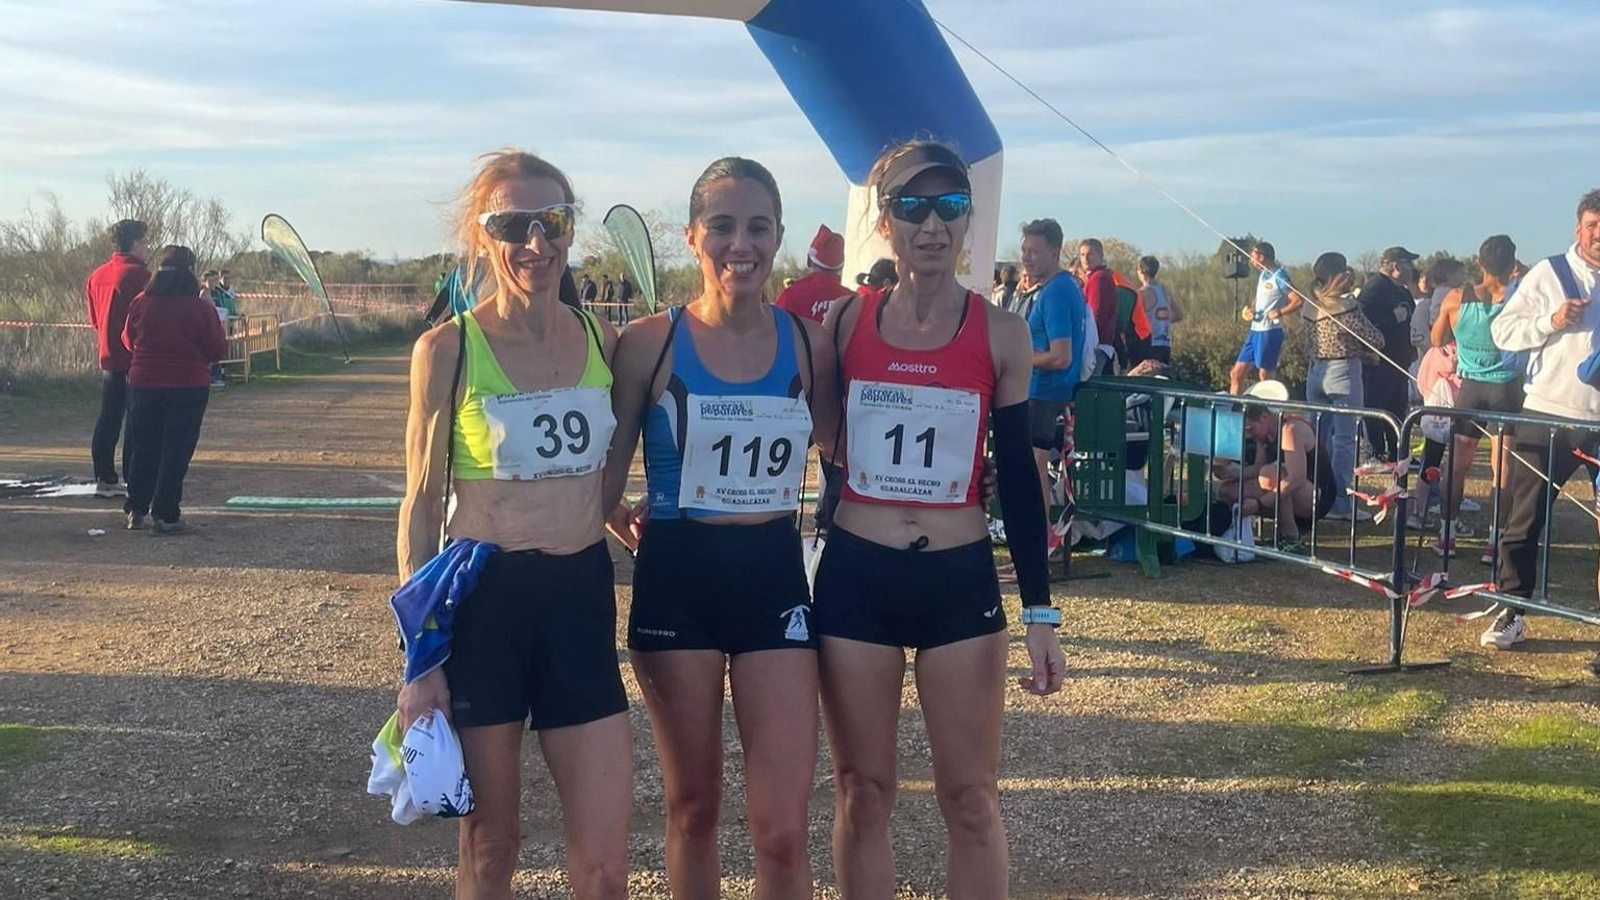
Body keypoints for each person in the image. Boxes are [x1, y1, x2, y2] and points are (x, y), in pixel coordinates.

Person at [815, 139, 1064, 898]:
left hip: (958, 579)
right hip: (859, 575)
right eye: (912, 206)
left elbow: (1018, 478)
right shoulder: (841, 326)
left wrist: (1041, 611)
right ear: (884, 221)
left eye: (950, 207)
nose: (932, 225)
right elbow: (821, 444)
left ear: (968, 220)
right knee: (864, 794)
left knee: (972, 799)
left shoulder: (1001, 333)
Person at [394, 150, 630, 899]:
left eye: (553, 220)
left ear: (570, 228)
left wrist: (630, 511)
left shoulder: (603, 341)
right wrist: (419, 662)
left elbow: (600, 466)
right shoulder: (448, 349)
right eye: (513, 224)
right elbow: (422, 502)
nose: (537, 241)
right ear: (482, 235)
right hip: (488, 608)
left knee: (604, 858)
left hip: (579, 598)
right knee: (492, 846)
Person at [604, 157, 838, 900]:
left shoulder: (810, 344)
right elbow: (600, 483)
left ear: (779, 237)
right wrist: (624, 520)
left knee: (782, 827)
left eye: (759, 227)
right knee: (694, 808)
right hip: (679, 582)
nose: (742, 244)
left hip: (773, 578)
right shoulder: (648, 343)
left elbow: (844, 454)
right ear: (692, 237)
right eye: (724, 226)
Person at [1486, 190, 1600, 655]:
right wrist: (1551, 320)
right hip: (1547, 414)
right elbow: (1502, 331)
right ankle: (1512, 609)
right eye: (1594, 224)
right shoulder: (1549, 273)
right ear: (1578, 227)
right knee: (1524, 519)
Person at [119, 245, 227, 534]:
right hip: (187, 384)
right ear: (191, 272)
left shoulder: (141, 302)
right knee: (175, 450)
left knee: (144, 446)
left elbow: (128, 341)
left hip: (143, 383)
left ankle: (136, 508)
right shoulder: (200, 307)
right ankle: (165, 514)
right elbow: (216, 349)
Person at [1431, 235, 1524, 562]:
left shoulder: (1456, 298)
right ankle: (1494, 541)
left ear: (1479, 263)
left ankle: (1447, 535)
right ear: (1512, 264)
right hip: (1506, 388)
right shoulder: (1518, 300)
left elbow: (1436, 338)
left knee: (1456, 465)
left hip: (1471, 387)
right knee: (1504, 468)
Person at [1016, 218, 1089, 555]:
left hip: (1044, 391)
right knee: (1032, 467)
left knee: (1034, 469)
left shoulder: (1058, 290)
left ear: (1056, 252)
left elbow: (1061, 356)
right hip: (1043, 390)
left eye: (1035, 251)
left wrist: (1018, 357)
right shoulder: (1060, 287)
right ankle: (1037, 540)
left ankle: (1038, 542)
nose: (1027, 258)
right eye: (1024, 250)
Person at [1302, 252, 1383, 522]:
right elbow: (1376, 338)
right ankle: (1340, 502)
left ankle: (1312, 493)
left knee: (1315, 439)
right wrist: (1363, 351)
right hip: (1343, 373)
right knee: (1345, 440)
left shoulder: (1308, 305)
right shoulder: (1346, 307)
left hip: (1315, 372)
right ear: (1339, 275)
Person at [84, 218, 150, 499]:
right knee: (136, 419)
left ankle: (105, 476)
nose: (147, 248)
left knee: (108, 417)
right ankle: (133, 477)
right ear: (135, 243)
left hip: (108, 356)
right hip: (134, 357)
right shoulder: (140, 276)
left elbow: (95, 320)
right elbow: (146, 317)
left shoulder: (96, 275)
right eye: (145, 242)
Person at [1221, 404, 1338, 554]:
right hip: (1289, 487)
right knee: (1228, 491)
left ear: (1264, 418)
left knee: (1270, 474)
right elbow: (1258, 467)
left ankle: (1291, 538)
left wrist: (1259, 505)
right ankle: (1239, 535)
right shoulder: (1264, 434)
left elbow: (1296, 479)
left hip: (1317, 496)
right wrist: (1232, 474)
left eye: (1250, 429)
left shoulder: (1290, 429)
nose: (1248, 436)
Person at [1358, 246, 1420, 462]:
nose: (1412, 268)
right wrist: (1392, 317)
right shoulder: (1375, 288)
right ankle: (1374, 452)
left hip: (1400, 360)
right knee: (1376, 405)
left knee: (1398, 408)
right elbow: (1363, 319)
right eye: (1408, 263)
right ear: (1396, 266)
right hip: (1380, 361)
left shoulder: (1402, 291)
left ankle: (1398, 453)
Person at [1229, 241, 1299, 394]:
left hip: (1269, 331)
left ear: (1261, 257)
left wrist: (1280, 312)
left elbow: (1298, 299)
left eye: (1253, 257)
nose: (1251, 261)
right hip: (1255, 330)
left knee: (1264, 375)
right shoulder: (1263, 275)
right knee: (1236, 373)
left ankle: (1268, 411)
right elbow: (1260, 296)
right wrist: (1252, 308)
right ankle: (1234, 410)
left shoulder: (1279, 275)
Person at [775, 223, 853, 323]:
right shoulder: (854, 301)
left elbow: (772, 330)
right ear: (841, 266)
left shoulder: (791, 296)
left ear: (809, 261)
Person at [1078, 238, 1120, 375]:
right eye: (1082, 255)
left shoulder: (1099, 278)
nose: (1086, 258)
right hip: (1099, 343)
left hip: (1096, 345)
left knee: (1088, 386)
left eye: (1090, 254)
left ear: (1100, 256)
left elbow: (1095, 314)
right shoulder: (1096, 277)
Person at [1136, 255, 1184, 364]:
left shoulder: (1142, 293)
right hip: (1165, 344)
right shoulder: (1165, 290)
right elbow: (1179, 315)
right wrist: (1163, 320)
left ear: (1142, 271)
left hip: (1149, 344)